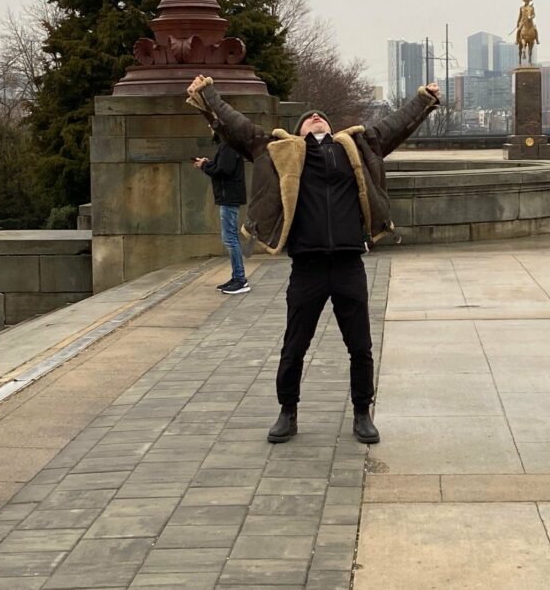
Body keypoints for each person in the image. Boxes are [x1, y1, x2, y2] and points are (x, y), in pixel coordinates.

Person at [186, 75, 440, 444]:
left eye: (322, 117)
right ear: (298, 130)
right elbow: (235, 124)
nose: (317, 117)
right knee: (295, 345)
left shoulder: (354, 146)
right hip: (306, 266)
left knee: (360, 346)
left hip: (348, 263)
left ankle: (361, 413)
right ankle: (287, 412)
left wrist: (424, 98)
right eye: (310, 117)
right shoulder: (279, 150)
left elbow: (395, 126)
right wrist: (206, 94)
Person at [193, 133, 250, 295]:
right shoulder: (228, 144)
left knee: (230, 237)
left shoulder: (229, 145)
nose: (209, 128)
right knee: (230, 237)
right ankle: (236, 277)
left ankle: (240, 279)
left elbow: (224, 170)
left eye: (212, 125)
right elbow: (223, 167)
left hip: (229, 197)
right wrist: (207, 163)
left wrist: (204, 166)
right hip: (228, 196)